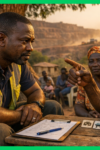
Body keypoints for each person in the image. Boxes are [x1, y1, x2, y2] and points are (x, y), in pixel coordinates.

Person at [0, 12, 63, 146]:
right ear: (1, 39)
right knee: (1, 130)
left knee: (52, 107)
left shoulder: (17, 64)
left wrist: (35, 105)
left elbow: (36, 91)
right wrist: (23, 115)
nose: (31, 48)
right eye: (25, 41)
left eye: (31, 42)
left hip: (9, 116)